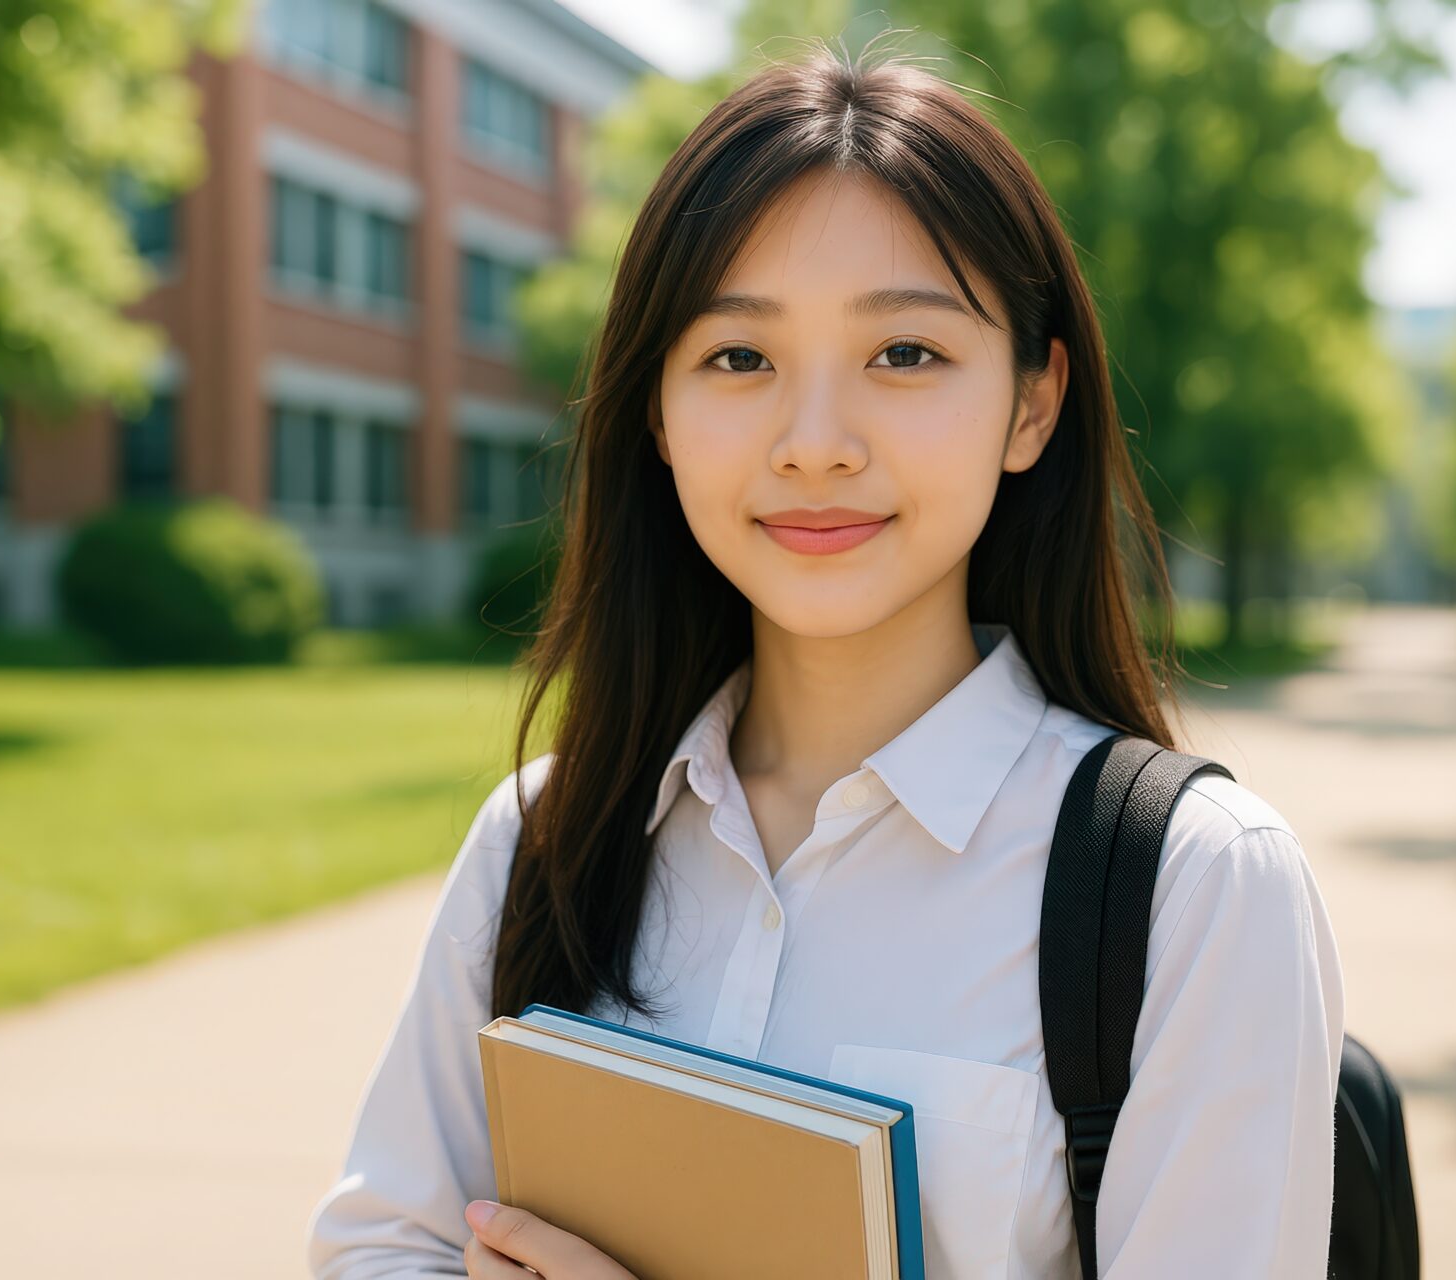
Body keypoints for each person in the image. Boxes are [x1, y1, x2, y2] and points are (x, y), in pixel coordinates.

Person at [306, 37, 1344, 1280]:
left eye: (904, 354)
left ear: (1032, 403)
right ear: (657, 410)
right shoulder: (543, 838)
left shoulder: (1194, 890)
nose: (813, 443)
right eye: (738, 358)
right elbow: (385, 1247)